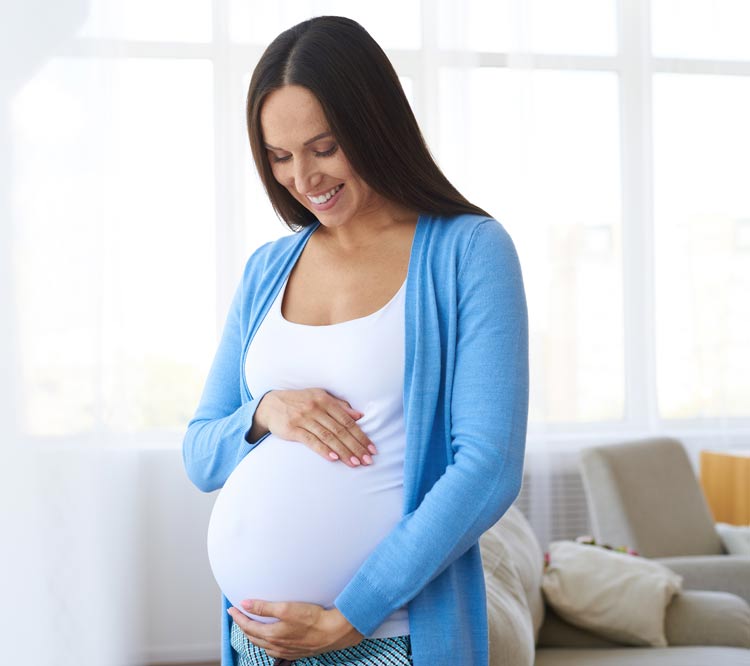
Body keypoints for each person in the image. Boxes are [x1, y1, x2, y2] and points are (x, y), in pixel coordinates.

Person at [182, 15, 529, 666]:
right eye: (279, 157)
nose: (302, 178)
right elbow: (201, 455)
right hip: (256, 641)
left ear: (374, 126)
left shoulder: (468, 252)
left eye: (324, 147)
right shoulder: (267, 269)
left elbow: (487, 467)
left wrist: (351, 614)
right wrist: (264, 412)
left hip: (387, 636)